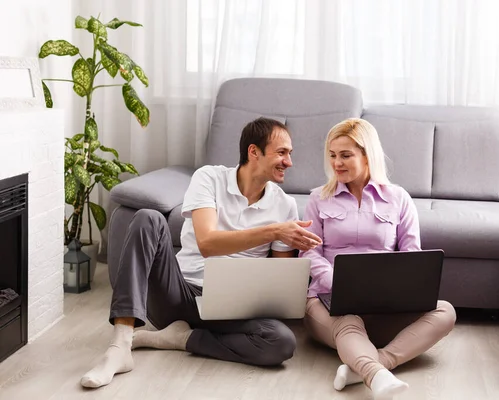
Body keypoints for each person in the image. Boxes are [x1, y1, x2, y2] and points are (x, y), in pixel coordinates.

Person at [81, 117, 322, 388]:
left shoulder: (285, 205)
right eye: (281, 153)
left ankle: (179, 339)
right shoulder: (209, 177)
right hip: (182, 293)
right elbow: (207, 243)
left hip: (234, 308)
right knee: (148, 217)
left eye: (290, 153)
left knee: (281, 342)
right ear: (254, 152)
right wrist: (274, 232)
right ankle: (120, 347)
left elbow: (279, 284)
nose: (289, 161)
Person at [299, 118, 456, 400]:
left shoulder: (398, 199)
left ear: (367, 155)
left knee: (445, 311)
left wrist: (397, 290)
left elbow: (411, 254)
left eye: (346, 155)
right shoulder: (317, 199)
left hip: (384, 306)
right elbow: (309, 252)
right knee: (348, 322)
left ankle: (372, 363)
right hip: (329, 303)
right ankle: (375, 376)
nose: (337, 163)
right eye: (332, 155)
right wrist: (337, 282)